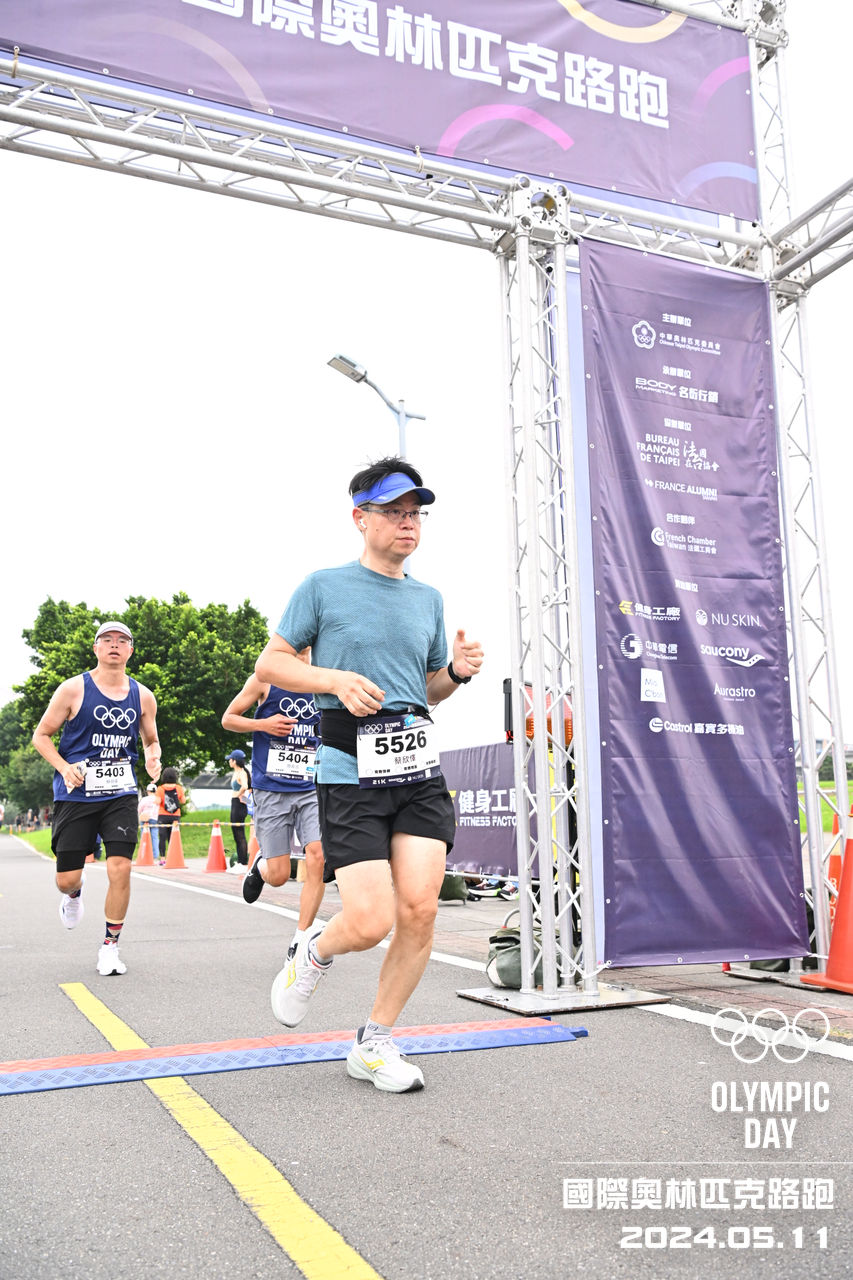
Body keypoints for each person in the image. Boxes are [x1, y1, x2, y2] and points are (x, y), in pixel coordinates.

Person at [255, 456, 483, 1093]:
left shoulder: (428, 599)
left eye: (416, 514)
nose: (409, 523)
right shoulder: (323, 587)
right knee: (370, 918)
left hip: (415, 765)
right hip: (348, 768)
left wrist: (456, 672)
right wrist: (333, 679)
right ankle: (314, 951)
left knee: (419, 909)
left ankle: (374, 1042)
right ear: (361, 518)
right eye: (394, 512)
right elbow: (272, 664)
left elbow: (426, 689)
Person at [31, 620, 161, 975]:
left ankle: (110, 947)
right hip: (76, 794)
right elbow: (41, 736)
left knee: (121, 867)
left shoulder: (143, 696)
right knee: (66, 879)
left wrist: (153, 756)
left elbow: (151, 739)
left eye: (122, 640)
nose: (114, 645)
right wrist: (63, 767)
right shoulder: (73, 689)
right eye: (107, 639)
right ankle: (74, 894)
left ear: (130, 650)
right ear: (96, 648)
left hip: (120, 793)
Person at [221, 655, 325, 980]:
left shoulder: (324, 678)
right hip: (271, 789)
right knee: (279, 875)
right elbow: (228, 719)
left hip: (310, 786)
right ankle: (260, 865)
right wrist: (262, 725)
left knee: (318, 856)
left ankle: (301, 938)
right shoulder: (264, 678)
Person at [226, 749, 251, 870]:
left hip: (239, 805)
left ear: (234, 761)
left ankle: (243, 863)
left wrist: (238, 795)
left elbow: (245, 786)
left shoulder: (242, 772)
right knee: (237, 834)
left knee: (240, 835)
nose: (229, 761)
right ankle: (240, 863)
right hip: (236, 804)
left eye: (230, 759)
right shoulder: (236, 772)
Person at [155, 767, 185, 863]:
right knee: (173, 837)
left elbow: (157, 802)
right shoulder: (179, 788)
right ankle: (173, 858)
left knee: (162, 837)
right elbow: (183, 801)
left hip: (163, 815)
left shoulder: (160, 788)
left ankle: (162, 859)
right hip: (175, 815)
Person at [137, 781, 159, 856]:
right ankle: (155, 855)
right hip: (155, 819)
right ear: (156, 791)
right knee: (154, 837)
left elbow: (139, 810)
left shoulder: (144, 799)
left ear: (148, 791)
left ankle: (144, 854)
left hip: (144, 818)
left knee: (144, 837)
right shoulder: (158, 799)